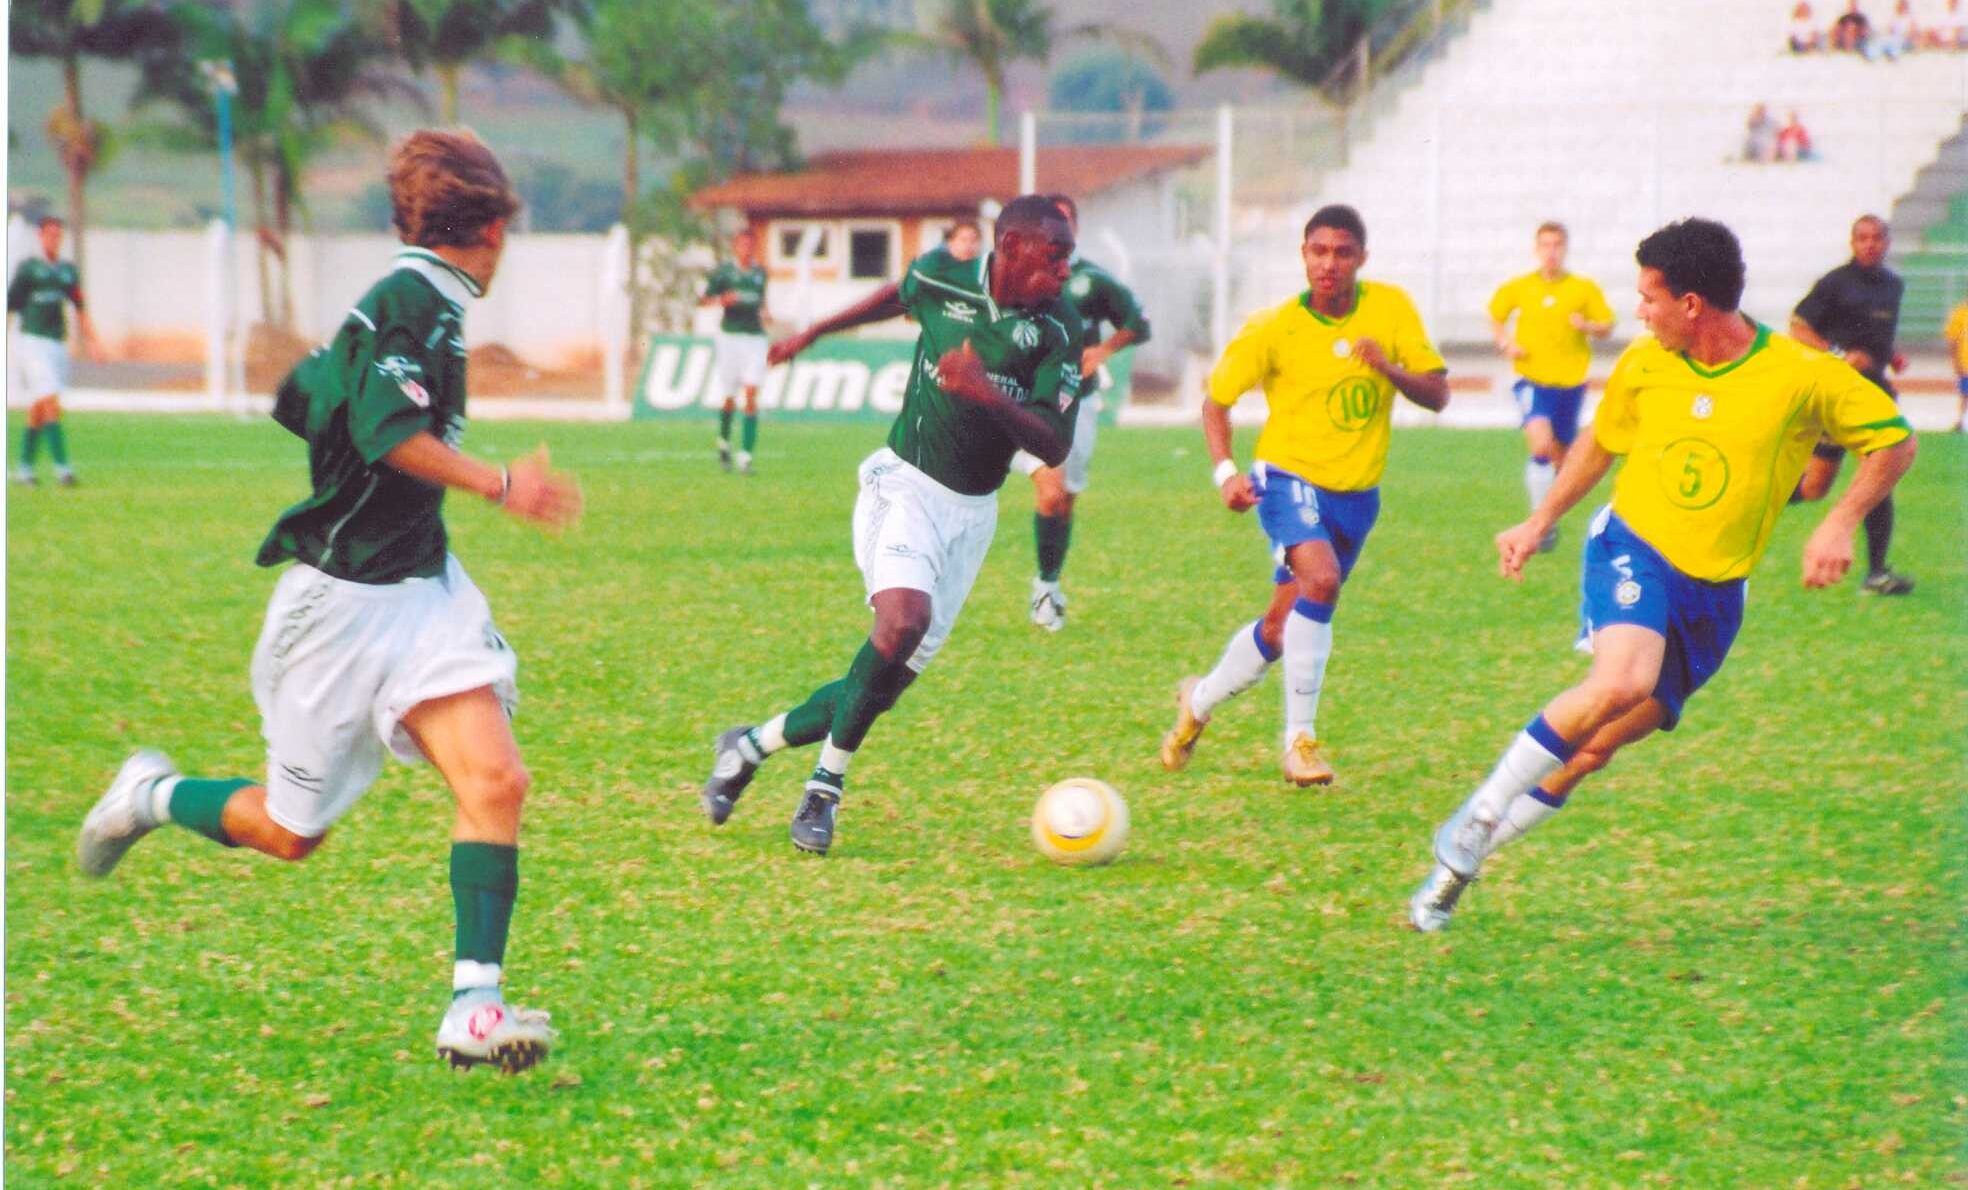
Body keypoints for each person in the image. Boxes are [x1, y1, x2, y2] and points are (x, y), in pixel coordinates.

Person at [74, 130, 583, 1071]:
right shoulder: (405, 304)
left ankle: (475, 1008)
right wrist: (500, 484)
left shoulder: (416, 308)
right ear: (495, 225)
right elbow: (389, 432)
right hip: (337, 610)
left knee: (496, 781)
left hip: (421, 595)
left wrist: (338, 404)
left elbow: (303, 394)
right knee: (288, 832)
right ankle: (148, 795)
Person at [1409, 217, 1916, 933]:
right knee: (1621, 680)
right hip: (1633, 547)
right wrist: (1538, 519)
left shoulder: (1800, 375)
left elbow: (1896, 443)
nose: (1639, 312)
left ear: (1692, 305)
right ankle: (1480, 811)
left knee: (1592, 750)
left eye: (1649, 297)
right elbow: (1599, 444)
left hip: (1716, 594)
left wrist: (1837, 522)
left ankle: (1453, 873)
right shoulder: (1646, 364)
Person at [699, 195, 1081, 855]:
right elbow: (893, 296)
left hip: (972, 516)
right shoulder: (941, 276)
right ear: (1012, 248)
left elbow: (1052, 444)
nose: (1067, 271)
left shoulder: (1059, 327)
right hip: (903, 484)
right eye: (1056, 257)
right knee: (900, 622)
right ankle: (825, 789)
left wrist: (982, 387)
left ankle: (749, 747)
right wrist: (815, 332)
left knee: (878, 686)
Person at [1159, 205, 1449, 787]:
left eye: (1343, 253)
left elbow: (1438, 394)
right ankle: (1301, 743)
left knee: (1278, 628)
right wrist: (1225, 474)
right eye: (1318, 251)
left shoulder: (1390, 308)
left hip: (1357, 496)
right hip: (1288, 478)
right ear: (1303, 255)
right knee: (1321, 581)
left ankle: (1198, 703)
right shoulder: (1273, 327)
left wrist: (1386, 367)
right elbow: (1216, 402)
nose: (1329, 264)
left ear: (1361, 259)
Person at [1010, 193, 1151, 632]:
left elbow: (1137, 323)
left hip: (1078, 402)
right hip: (1023, 400)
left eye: (1065, 223)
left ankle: (1047, 583)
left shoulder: (1091, 281)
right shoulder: (1012, 276)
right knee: (1049, 493)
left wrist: (1104, 349)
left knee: (1064, 499)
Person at [1788, 214, 1913, 594]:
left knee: (1880, 471)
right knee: (1814, 487)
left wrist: (1890, 355)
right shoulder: (1835, 283)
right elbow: (1797, 326)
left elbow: (1873, 332)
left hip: (1873, 393)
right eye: (1862, 238)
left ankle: (1876, 574)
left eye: (1877, 238)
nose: (1870, 244)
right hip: (1836, 395)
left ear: (1887, 242)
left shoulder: (1893, 285)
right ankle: (1739, 504)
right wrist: (1840, 354)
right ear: (1852, 242)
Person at [1486, 222, 1616, 549]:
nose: (1551, 251)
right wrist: (1505, 343)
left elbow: (1607, 325)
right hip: (1531, 379)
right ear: (1536, 249)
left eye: (1557, 244)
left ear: (1565, 248)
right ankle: (1538, 522)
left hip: (1570, 384)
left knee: (1563, 461)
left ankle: (1546, 519)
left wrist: (1586, 325)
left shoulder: (1582, 289)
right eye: (1545, 245)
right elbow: (1495, 314)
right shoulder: (1520, 286)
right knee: (1541, 444)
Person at [8, 216, 103, 486]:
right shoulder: (28, 270)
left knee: (39, 407)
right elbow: (11, 307)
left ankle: (25, 468)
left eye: (58, 235)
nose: (54, 239)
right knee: (50, 401)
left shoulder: (67, 271)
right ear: (40, 236)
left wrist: (94, 342)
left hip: (56, 344)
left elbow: (80, 308)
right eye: (49, 234)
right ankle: (64, 469)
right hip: (32, 342)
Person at [700, 228, 769, 474]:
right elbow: (704, 300)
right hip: (729, 337)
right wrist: (722, 301)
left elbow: (761, 302)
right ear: (735, 247)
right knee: (730, 396)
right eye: (742, 245)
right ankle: (724, 441)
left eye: (750, 245)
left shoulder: (760, 273)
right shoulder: (724, 273)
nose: (746, 249)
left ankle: (746, 457)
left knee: (751, 393)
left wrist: (766, 314)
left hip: (755, 338)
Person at [1945, 298, 1968, 431]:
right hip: (1966, 363)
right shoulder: (1960, 313)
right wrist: (1955, 362)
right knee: (1965, 393)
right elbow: (1953, 340)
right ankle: (1960, 420)